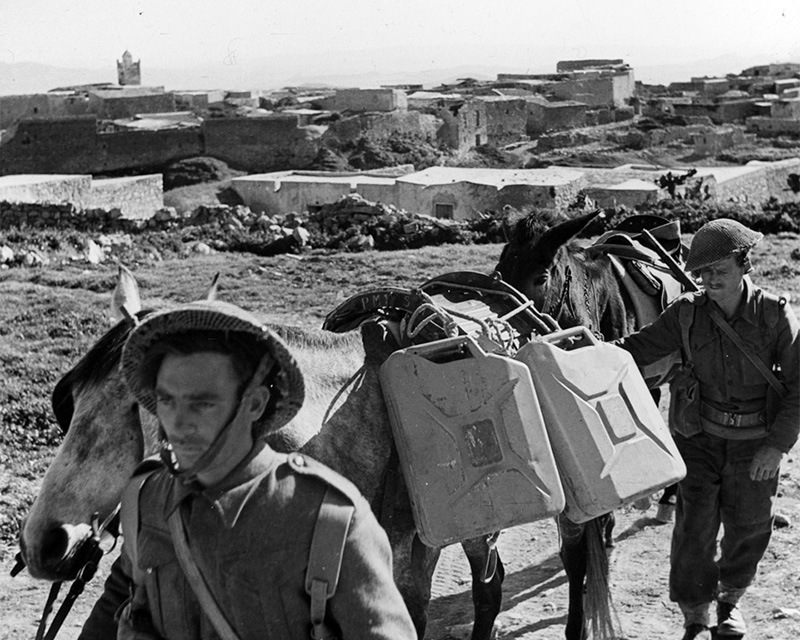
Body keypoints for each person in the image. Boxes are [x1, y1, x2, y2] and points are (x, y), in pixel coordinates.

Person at [98, 299, 415, 640]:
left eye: (202, 404)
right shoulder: (146, 502)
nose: (178, 424)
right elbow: (122, 603)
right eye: (166, 400)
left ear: (255, 404)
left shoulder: (331, 521)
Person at [614, 219, 799, 640]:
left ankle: (730, 601)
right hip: (697, 438)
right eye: (703, 272)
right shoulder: (686, 314)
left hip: (755, 444)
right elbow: (638, 348)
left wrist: (777, 447)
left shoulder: (773, 314)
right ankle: (695, 612)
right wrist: (586, 346)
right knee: (693, 528)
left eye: (721, 270)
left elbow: (799, 387)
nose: (710, 280)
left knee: (749, 526)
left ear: (744, 264)